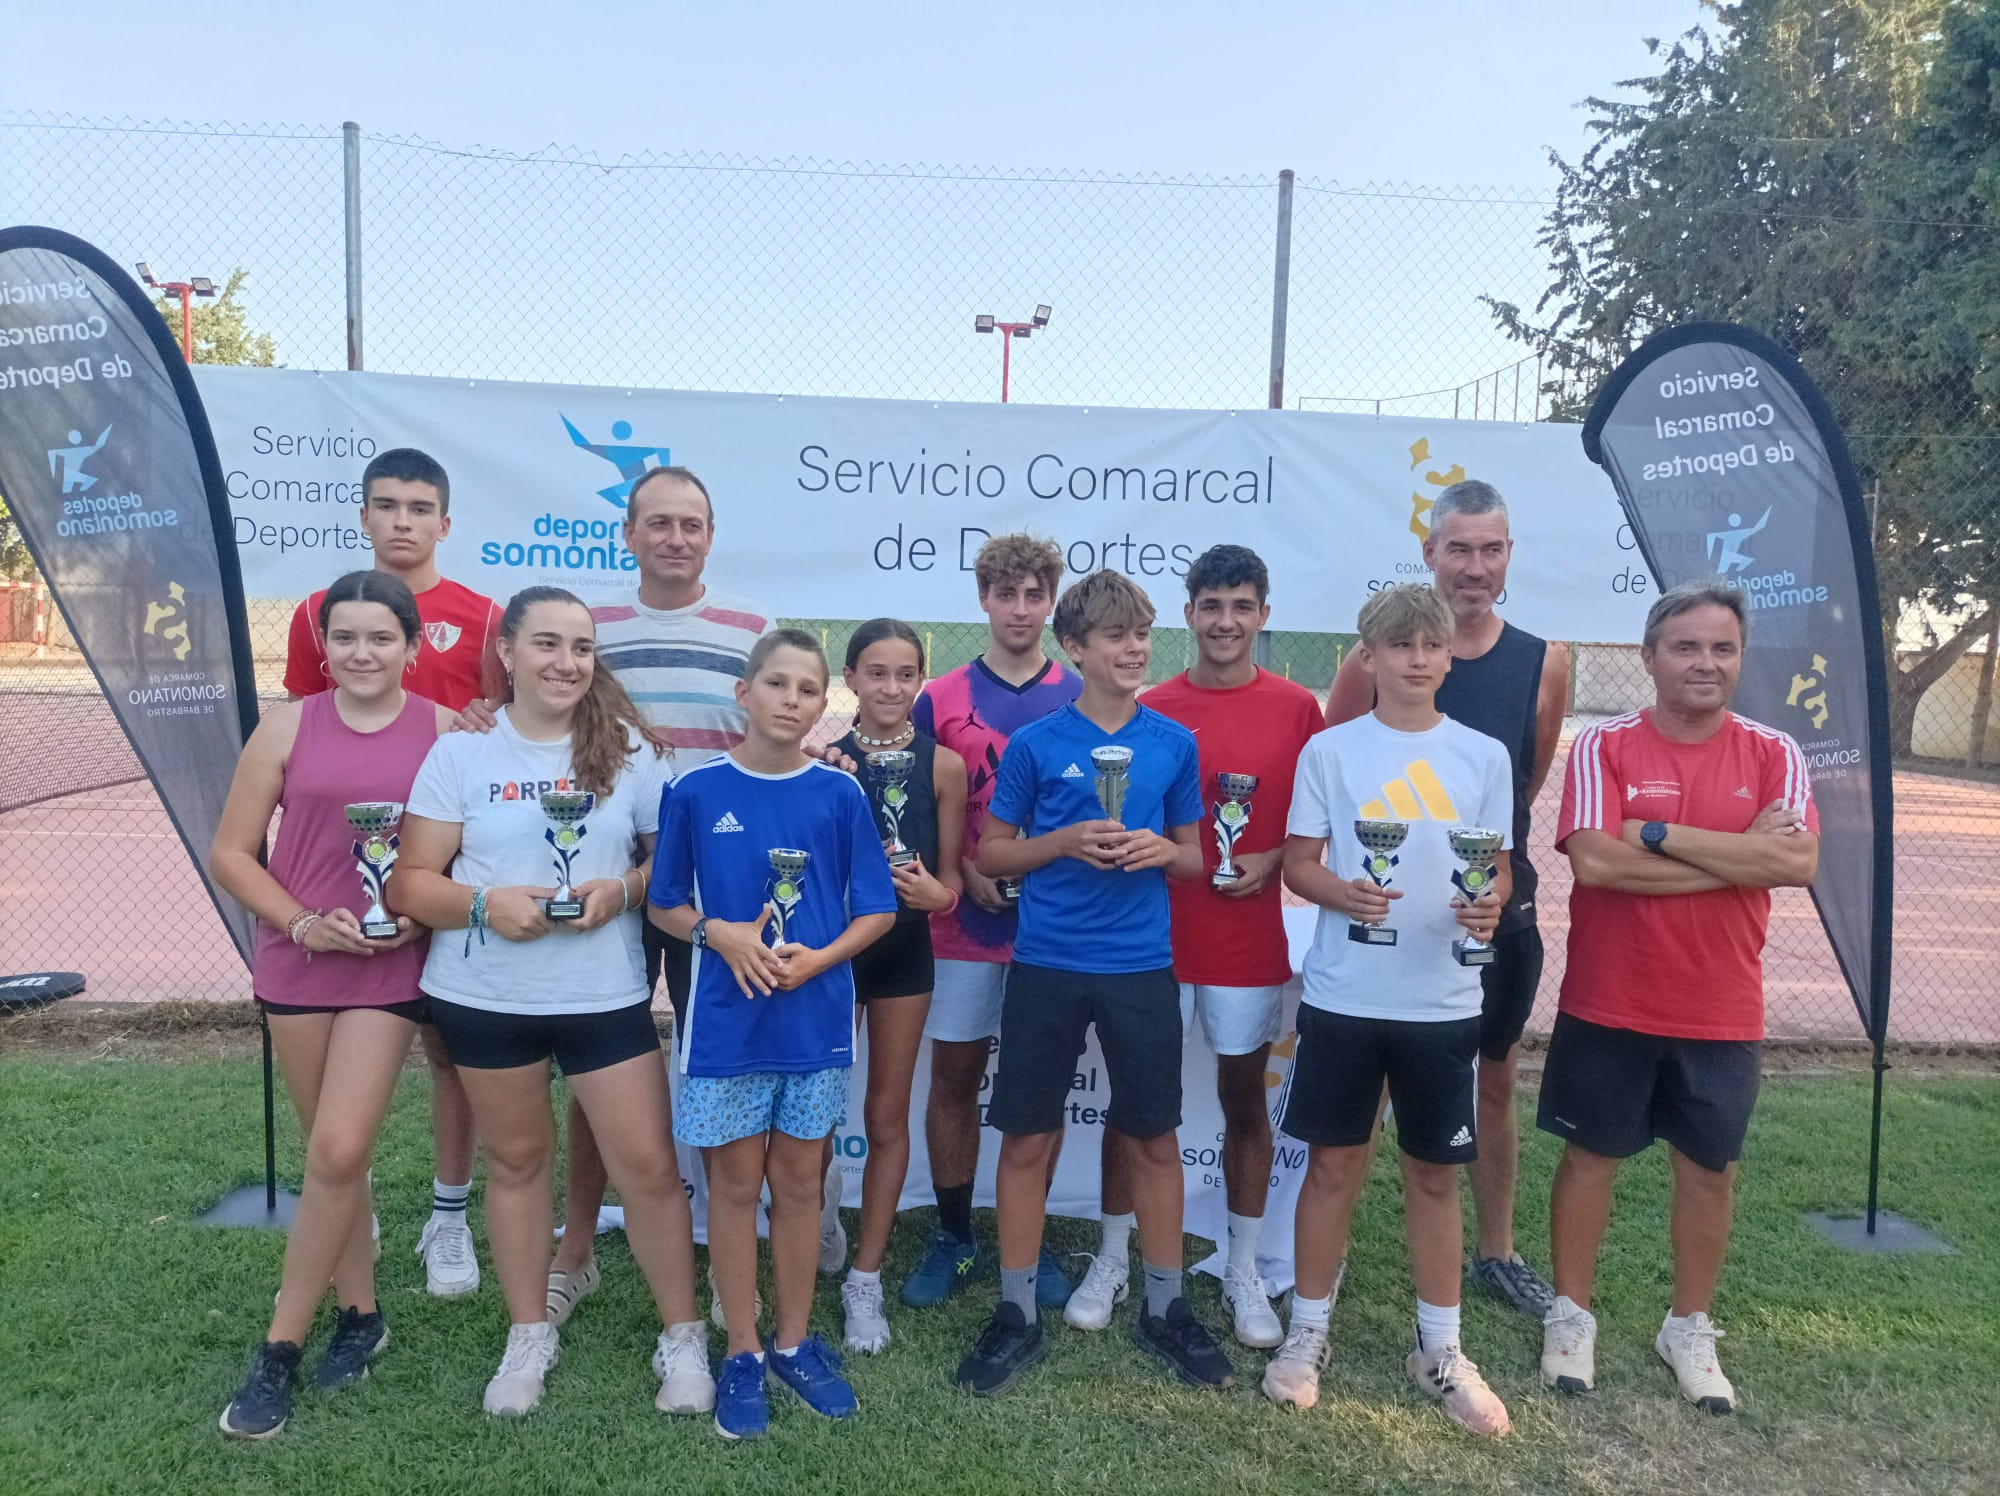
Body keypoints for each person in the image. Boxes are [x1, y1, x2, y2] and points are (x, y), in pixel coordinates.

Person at [456, 466, 777, 1328]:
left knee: (725, 1060)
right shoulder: (590, 628)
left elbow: (775, 736)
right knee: (604, 1067)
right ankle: (577, 1248)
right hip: (612, 882)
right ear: (629, 534)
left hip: (725, 891)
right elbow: (525, 712)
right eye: (659, 523)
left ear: (711, 536)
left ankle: (732, 1249)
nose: (676, 538)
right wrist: (479, 714)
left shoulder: (752, 628)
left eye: (692, 524)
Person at [388, 586, 711, 1420]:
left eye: (581, 647)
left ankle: (683, 1337)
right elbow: (409, 884)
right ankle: (528, 1333)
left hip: (602, 993)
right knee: (519, 1164)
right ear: (506, 653)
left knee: (648, 1167)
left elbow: (667, 867)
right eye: (546, 644)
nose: (566, 663)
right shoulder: (462, 753)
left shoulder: (630, 751)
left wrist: (623, 891)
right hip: (485, 994)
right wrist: (483, 906)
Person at [954, 569, 1233, 1397]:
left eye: (1142, 633)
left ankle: (1165, 1306)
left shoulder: (1171, 742)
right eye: (1116, 635)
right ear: (1075, 647)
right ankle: (1015, 1312)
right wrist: (1066, 841)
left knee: (1153, 1137)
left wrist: (1164, 852)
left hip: (1141, 965)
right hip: (1046, 963)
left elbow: (1195, 858)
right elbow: (992, 854)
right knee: (1028, 1138)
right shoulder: (1038, 744)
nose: (1135, 648)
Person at [1539, 580, 1817, 1413]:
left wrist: (1659, 836)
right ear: (1650, 656)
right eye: (1687, 647)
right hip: (1609, 997)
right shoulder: (1605, 745)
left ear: (1740, 659)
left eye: (1723, 648)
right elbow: (1598, 863)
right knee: (1590, 1160)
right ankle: (1571, 1315)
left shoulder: (1774, 752)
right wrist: (1737, 858)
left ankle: (1688, 1327)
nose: (1706, 663)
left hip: (1721, 1007)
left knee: (1710, 1172)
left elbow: (1794, 863)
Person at [1270, 583, 1513, 1436]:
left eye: (1431, 645)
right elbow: (1299, 863)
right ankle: (1306, 1333)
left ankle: (1440, 1349)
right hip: (1346, 995)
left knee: (1433, 1175)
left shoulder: (1484, 756)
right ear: (1367, 657)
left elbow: (1497, 866)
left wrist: (1489, 903)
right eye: (1400, 645)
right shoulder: (1330, 752)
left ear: (1450, 656)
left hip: (1442, 999)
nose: (1417, 659)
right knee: (1333, 1167)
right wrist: (1344, 893)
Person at [1323, 479, 1570, 1318]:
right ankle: (1331, 1254)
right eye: (1458, 548)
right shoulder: (1371, 660)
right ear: (1429, 553)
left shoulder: (1544, 661)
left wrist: (1477, 885)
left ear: (1508, 557)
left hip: (1489, 913)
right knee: (1370, 1091)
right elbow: (1338, 769)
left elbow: (1520, 788)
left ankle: (1496, 1251)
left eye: (1490, 549)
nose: (1474, 566)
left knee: (1492, 1082)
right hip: (1387, 922)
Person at [213, 571, 451, 1439]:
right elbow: (232, 853)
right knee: (331, 1158)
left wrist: (418, 911)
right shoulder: (285, 727)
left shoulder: (444, 731)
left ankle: (279, 1346)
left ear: (412, 646)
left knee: (341, 1147)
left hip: (390, 966)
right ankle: (361, 1313)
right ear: (324, 647)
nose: (361, 652)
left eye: (381, 637)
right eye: (344, 637)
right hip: (300, 960)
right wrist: (304, 923)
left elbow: (463, 851)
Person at [648, 628, 898, 1440]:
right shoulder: (695, 791)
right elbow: (663, 902)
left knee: (797, 1184)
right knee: (732, 1189)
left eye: (807, 689)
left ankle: (793, 1341)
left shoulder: (840, 794)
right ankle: (742, 1351)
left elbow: (877, 909)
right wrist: (717, 933)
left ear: (823, 702)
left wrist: (818, 959)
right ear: (744, 693)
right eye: (777, 684)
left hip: (814, 1027)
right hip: (727, 1031)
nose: (791, 700)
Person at [1075, 545, 1321, 1348]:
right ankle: (1112, 1257)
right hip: (1151, 942)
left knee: (1244, 1098)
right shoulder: (1149, 708)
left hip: (1246, 943)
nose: (1225, 621)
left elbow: (1315, 826)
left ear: (1263, 614)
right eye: (1211, 606)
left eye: (1241, 606)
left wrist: (1271, 857)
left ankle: (1242, 1265)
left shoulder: (1296, 708)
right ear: (1189, 614)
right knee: (1135, 1105)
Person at [284, 446, 501, 1301]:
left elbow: (497, 729)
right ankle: (353, 1206)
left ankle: (448, 1217)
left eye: (418, 508)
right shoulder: (319, 612)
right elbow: (306, 733)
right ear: (364, 516)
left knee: (450, 1055)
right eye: (386, 505)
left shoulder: (484, 618)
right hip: (348, 879)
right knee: (339, 1079)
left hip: (441, 868)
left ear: (444, 522)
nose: (402, 521)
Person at [901, 534, 1082, 1311]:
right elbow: (913, 807)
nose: (1020, 609)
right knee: (954, 1076)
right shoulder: (939, 697)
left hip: (1054, 926)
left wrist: (1030, 868)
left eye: (1034, 595)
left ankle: (1027, 1234)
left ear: (1051, 602)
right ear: (983, 599)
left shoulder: (1081, 692)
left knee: (1038, 1088)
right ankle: (954, 1235)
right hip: (959, 925)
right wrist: (961, 873)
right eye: (1005, 594)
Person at [825, 620, 967, 1353]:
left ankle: (866, 1278)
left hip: (904, 956)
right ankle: (818, 1224)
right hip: (833, 955)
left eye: (905, 674)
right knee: (814, 1113)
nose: (890, 687)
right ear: (850, 677)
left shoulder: (945, 766)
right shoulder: (825, 763)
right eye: (875, 673)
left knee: (885, 1114)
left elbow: (950, 880)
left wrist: (939, 897)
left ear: (921, 680)